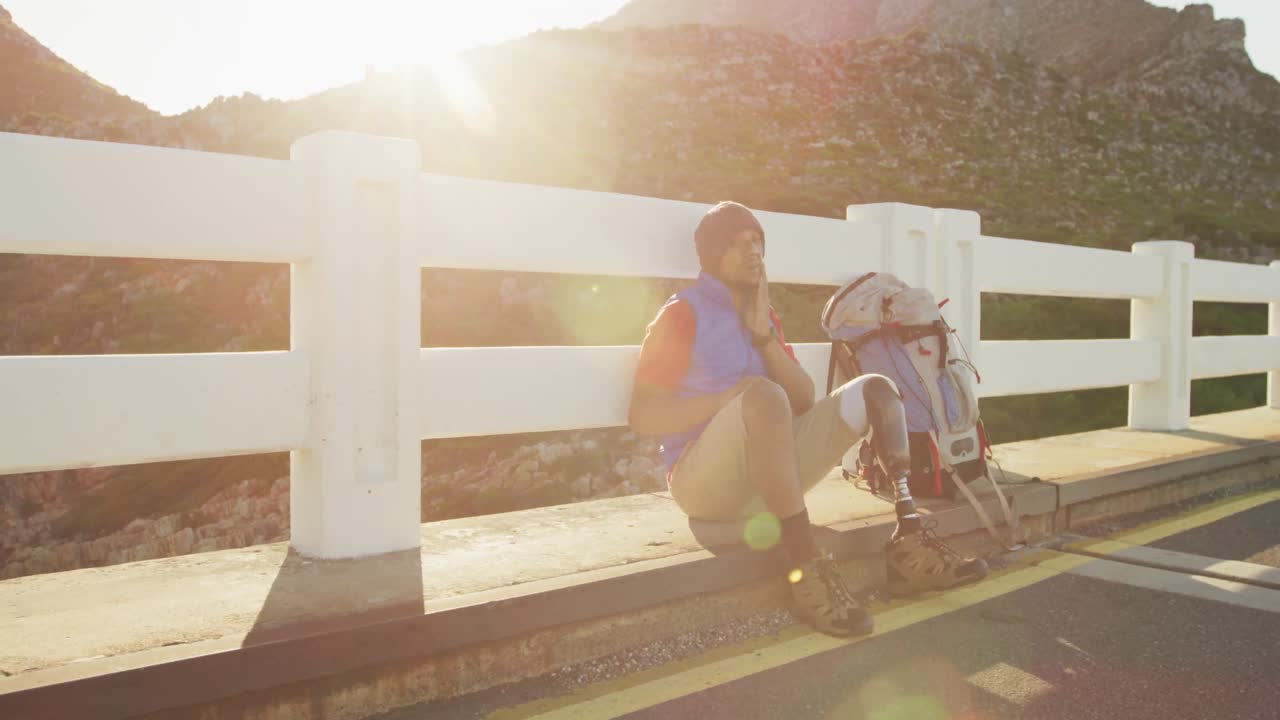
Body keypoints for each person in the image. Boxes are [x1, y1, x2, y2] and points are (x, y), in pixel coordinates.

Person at [628, 201, 987, 637]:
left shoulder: (765, 317)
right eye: (738, 243)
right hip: (704, 487)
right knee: (762, 396)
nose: (754, 251)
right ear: (711, 255)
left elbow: (803, 399)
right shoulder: (681, 314)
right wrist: (726, 398)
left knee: (875, 388)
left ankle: (908, 542)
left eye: (758, 241)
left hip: (769, 478)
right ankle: (804, 566)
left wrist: (764, 339)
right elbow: (644, 417)